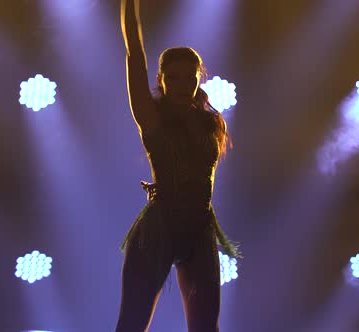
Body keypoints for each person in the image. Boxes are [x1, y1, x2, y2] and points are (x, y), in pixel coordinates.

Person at [116, 0, 240, 331]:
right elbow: (134, 54)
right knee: (132, 323)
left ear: (200, 78)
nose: (184, 85)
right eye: (174, 78)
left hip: (199, 228)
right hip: (160, 228)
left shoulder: (210, 122)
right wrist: (130, 7)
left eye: (191, 78)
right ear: (161, 79)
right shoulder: (152, 117)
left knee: (205, 327)